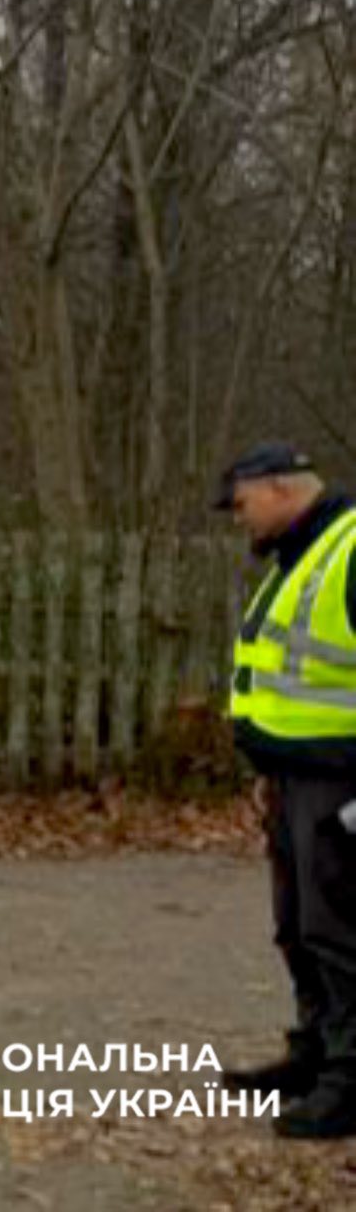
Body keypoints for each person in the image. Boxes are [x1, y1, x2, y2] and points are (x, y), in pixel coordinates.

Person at [216, 442, 356, 1140]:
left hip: (340, 778)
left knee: (340, 929)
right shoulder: (300, 558)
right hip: (295, 777)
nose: (239, 518)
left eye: (242, 504)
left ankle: (349, 1081)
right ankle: (316, 1053)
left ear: (277, 488)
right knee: (299, 925)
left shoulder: (348, 551)